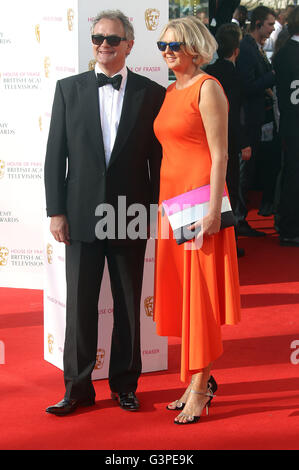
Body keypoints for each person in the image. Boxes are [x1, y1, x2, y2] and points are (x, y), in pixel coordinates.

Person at [44, 9, 165, 416]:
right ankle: (76, 388)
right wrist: (56, 211)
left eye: (112, 39)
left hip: (130, 213)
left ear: (130, 44)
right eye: (97, 38)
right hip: (79, 214)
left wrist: (153, 211)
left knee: (130, 303)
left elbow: (157, 161)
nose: (103, 45)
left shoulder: (152, 93)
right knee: (79, 304)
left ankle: (125, 385)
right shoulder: (68, 89)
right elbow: (54, 158)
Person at [153, 16, 241, 425]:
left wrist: (211, 211)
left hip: (198, 206)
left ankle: (202, 386)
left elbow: (220, 153)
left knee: (201, 295)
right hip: (172, 205)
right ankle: (194, 380)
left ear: (194, 46)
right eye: (162, 46)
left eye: (174, 45)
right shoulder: (172, 91)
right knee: (185, 293)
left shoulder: (208, 88)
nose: (167, 52)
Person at [206, 23, 251, 258]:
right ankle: (229, 244)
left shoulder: (210, 70)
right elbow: (231, 114)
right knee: (229, 193)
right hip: (228, 144)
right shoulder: (231, 74)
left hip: (212, 143)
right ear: (236, 49)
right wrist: (243, 143)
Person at [235, 6, 277, 236]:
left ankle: (241, 219)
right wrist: (271, 77)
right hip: (247, 119)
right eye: (270, 24)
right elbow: (247, 86)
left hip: (258, 118)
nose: (273, 28)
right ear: (258, 23)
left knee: (249, 170)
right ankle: (239, 219)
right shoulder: (247, 49)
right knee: (244, 170)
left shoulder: (255, 48)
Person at [273, 7, 299, 246]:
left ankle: (286, 224)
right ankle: (290, 227)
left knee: (291, 175)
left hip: (289, 125)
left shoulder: (281, 55)